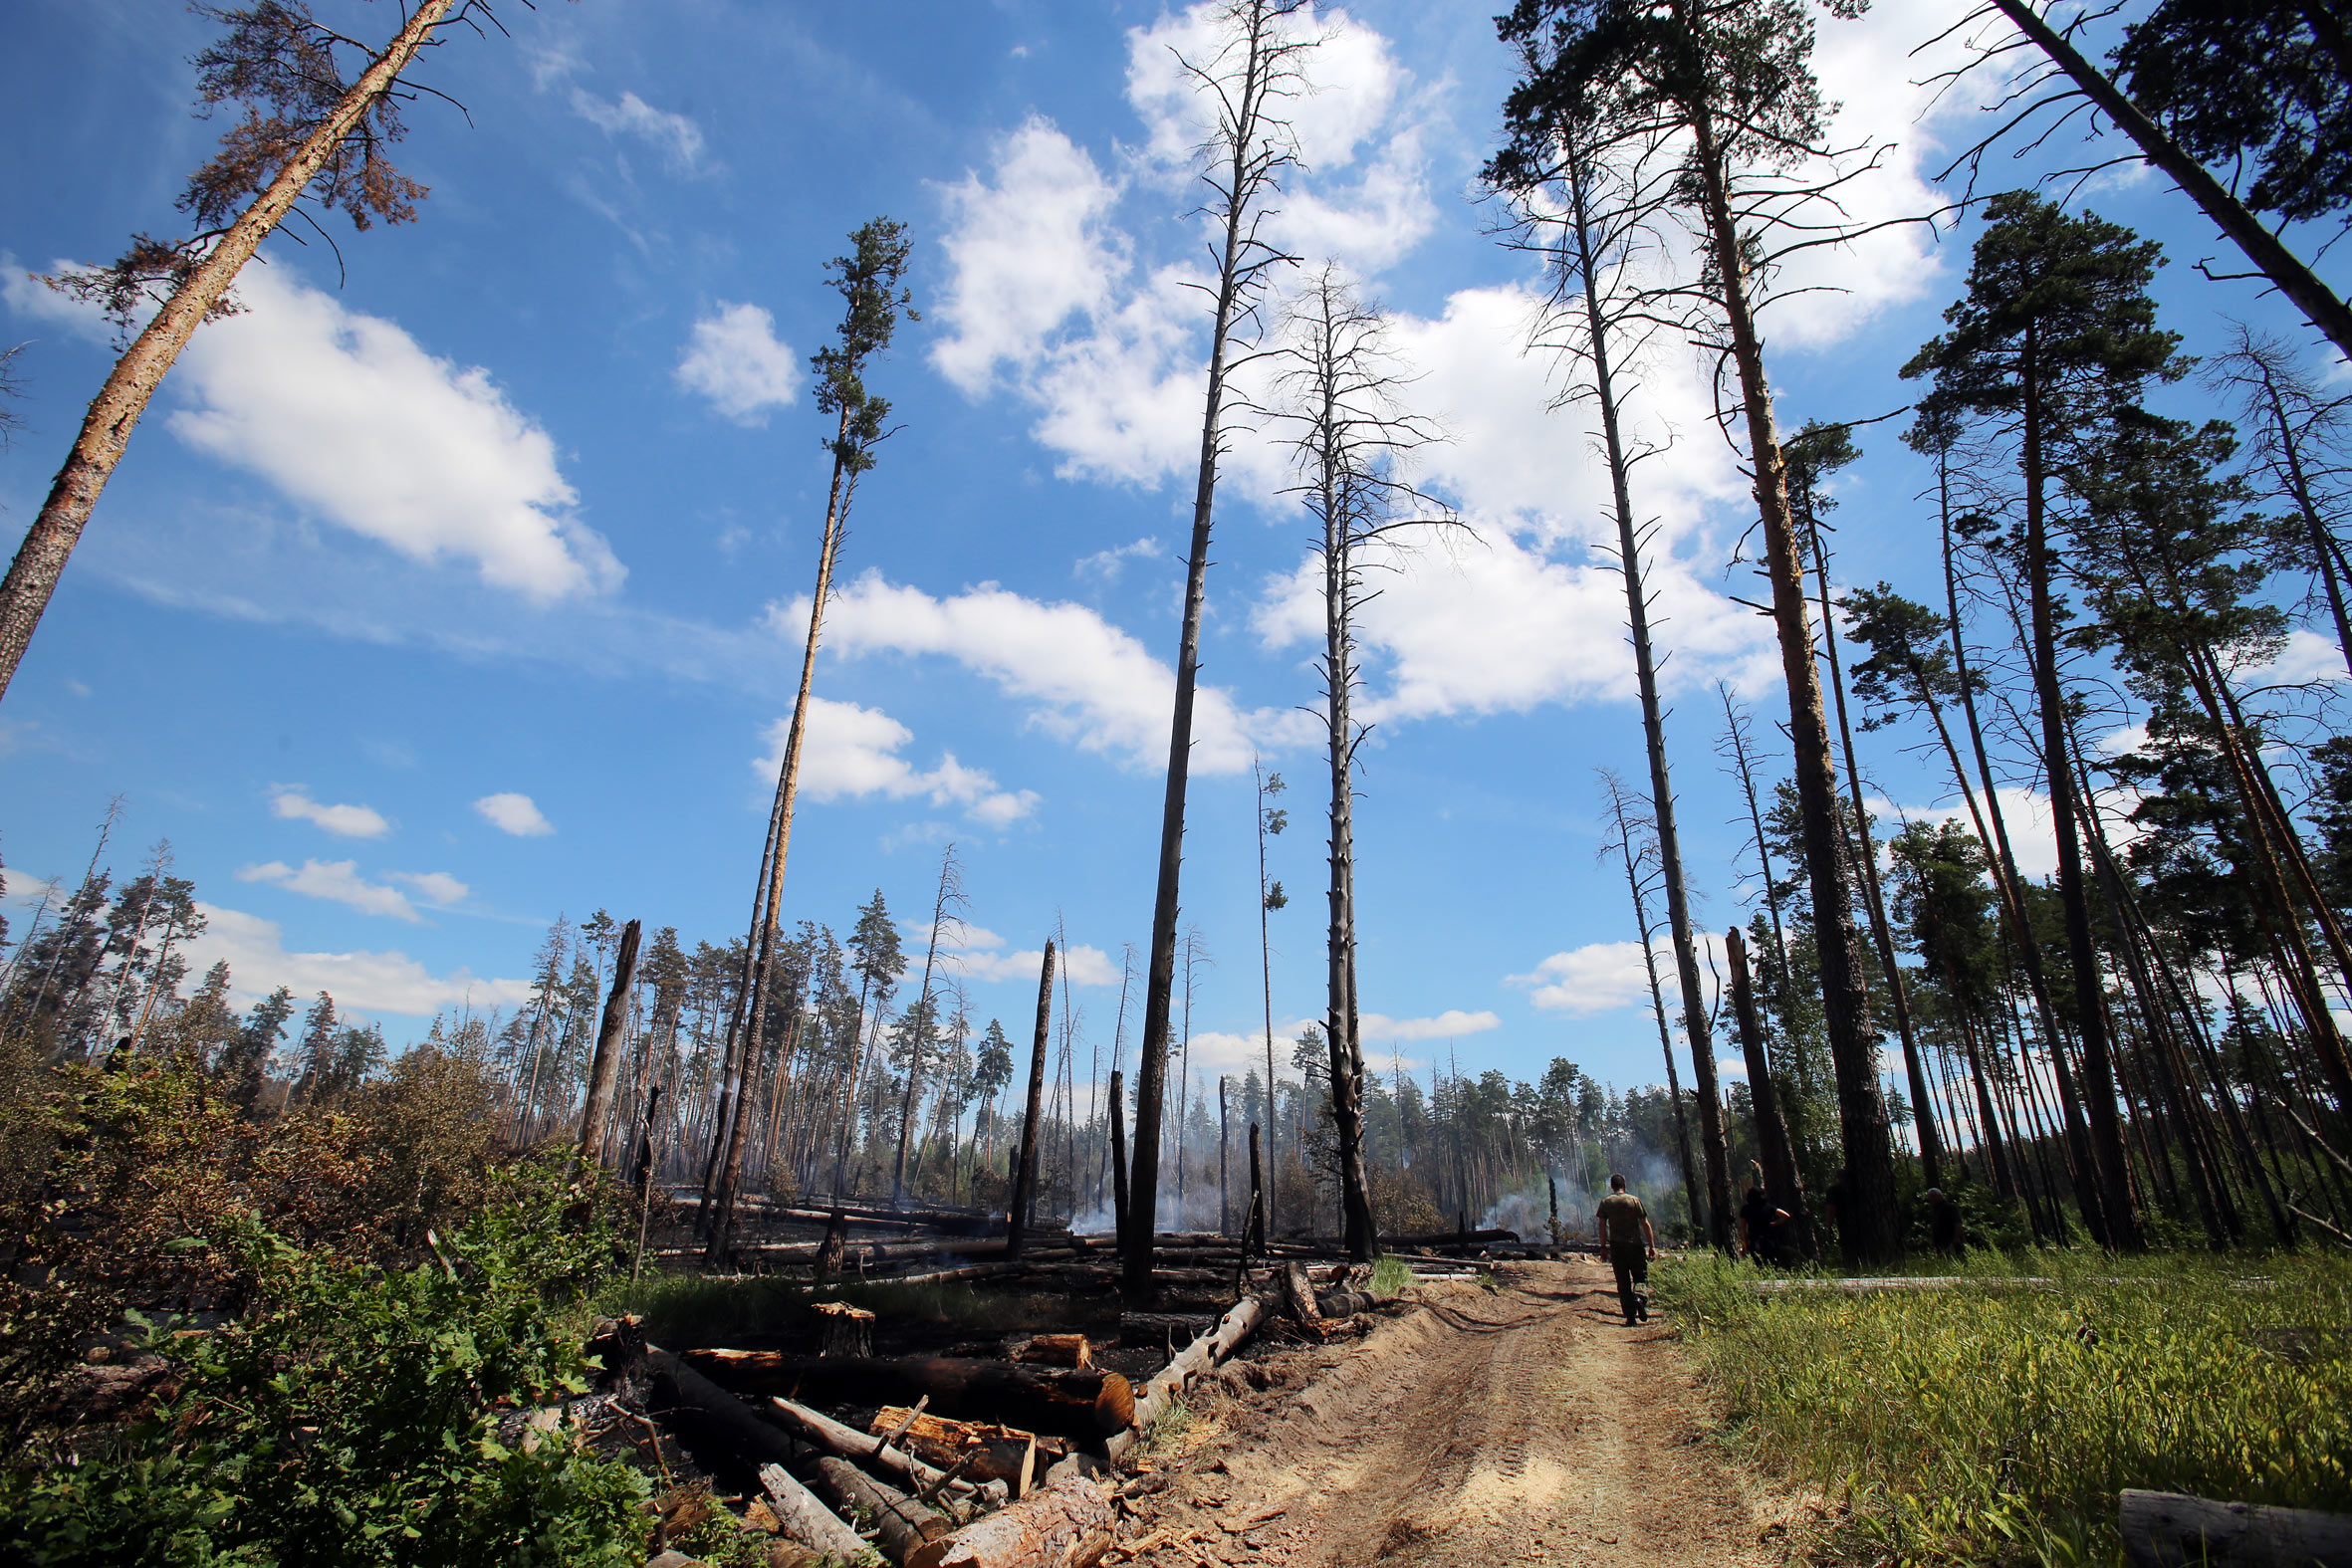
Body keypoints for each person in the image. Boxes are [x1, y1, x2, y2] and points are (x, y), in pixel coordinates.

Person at [1593, 1174, 1657, 1325]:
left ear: (1612, 1186)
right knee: (1640, 1277)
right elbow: (1645, 1224)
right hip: (1635, 1246)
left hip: (1617, 1248)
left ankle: (1630, 1317)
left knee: (1623, 1283)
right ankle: (1640, 1297)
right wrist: (1652, 1246)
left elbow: (1602, 1226)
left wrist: (1603, 1247)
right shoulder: (1634, 1200)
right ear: (1624, 1185)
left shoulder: (1606, 1202)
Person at [1926, 1187, 1963, 1255]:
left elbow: (1958, 1224)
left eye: (1933, 1196)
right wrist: (1934, 1241)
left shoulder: (1949, 1207)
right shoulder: (1935, 1210)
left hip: (1951, 1242)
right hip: (1940, 1244)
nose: (1931, 1199)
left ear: (1939, 1196)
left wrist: (1956, 1238)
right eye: (1930, 1197)